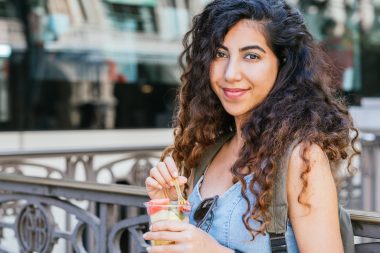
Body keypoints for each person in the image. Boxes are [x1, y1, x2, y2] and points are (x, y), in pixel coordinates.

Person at [143, 0, 359, 252]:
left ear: (283, 65)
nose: (230, 73)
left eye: (251, 56)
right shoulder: (207, 150)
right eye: (220, 54)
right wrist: (169, 209)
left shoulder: (302, 158)